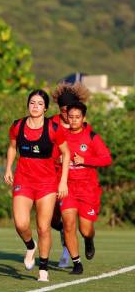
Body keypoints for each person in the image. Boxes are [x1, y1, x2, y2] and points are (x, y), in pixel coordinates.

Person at [4, 89, 70, 282]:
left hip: (46, 183)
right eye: (32, 103)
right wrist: (8, 167)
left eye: (40, 104)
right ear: (28, 105)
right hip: (23, 180)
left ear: (46, 108)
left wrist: (63, 181)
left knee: (43, 227)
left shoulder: (53, 128)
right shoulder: (17, 125)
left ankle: (43, 268)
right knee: (21, 223)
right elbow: (11, 146)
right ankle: (30, 245)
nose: (35, 106)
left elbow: (66, 153)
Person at [59, 102, 111, 273]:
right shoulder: (60, 136)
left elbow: (106, 159)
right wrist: (57, 160)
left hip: (88, 189)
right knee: (68, 224)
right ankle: (77, 262)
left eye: (77, 117)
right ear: (67, 117)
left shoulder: (92, 137)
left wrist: (85, 160)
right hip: (67, 188)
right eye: (71, 117)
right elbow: (50, 157)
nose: (73, 120)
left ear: (84, 118)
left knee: (85, 229)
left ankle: (89, 239)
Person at [49, 82, 90, 268]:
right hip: (52, 176)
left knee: (71, 220)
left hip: (74, 181)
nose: (67, 113)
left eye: (70, 110)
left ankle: (69, 249)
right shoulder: (51, 123)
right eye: (63, 109)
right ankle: (65, 236)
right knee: (52, 218)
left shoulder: (81, 126)